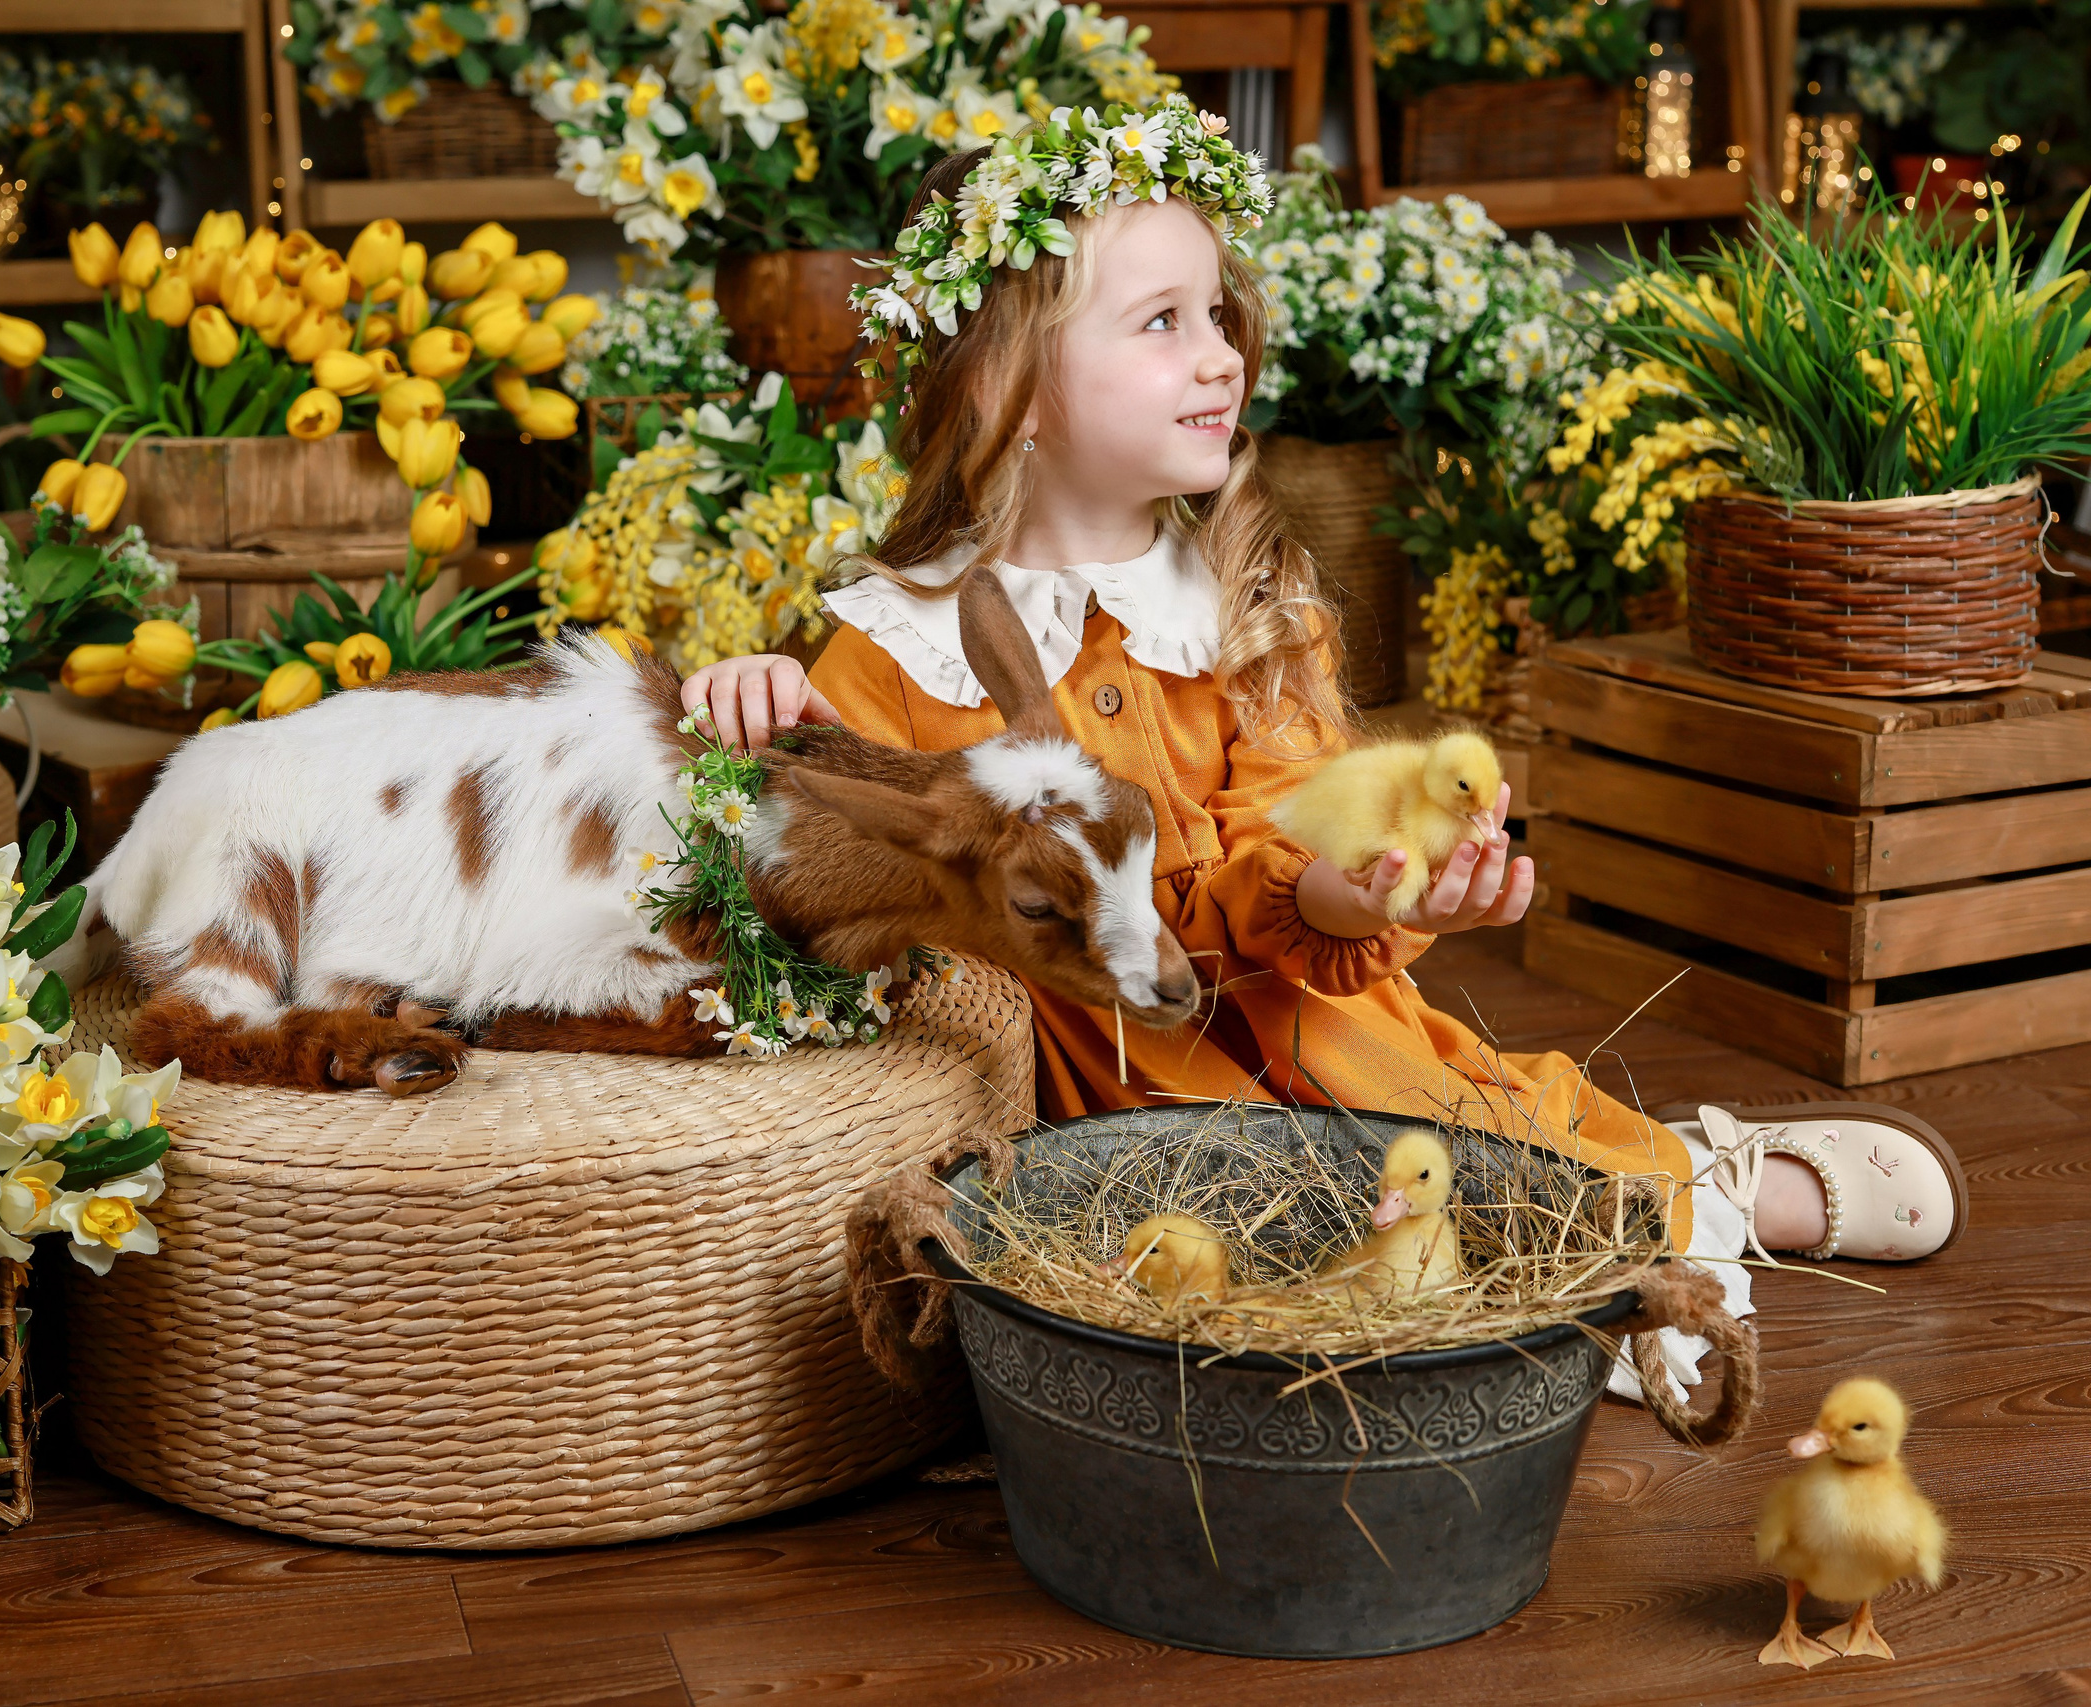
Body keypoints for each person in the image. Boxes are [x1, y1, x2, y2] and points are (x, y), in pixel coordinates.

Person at [679, 101, 1966, 1395]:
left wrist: (1342, 887)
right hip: (1109, 1129)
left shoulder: (1248, 605)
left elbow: (1300, 824)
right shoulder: (895, 648)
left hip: (1330, 1053)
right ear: (1009, 391)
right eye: (1162, 322)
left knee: (1487, 1170)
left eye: (1218, 314)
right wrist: (763, 709)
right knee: (1266, 1311)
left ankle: (1702, 1182)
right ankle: (1618, 1239)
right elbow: (825, 866)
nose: (1220, 356)